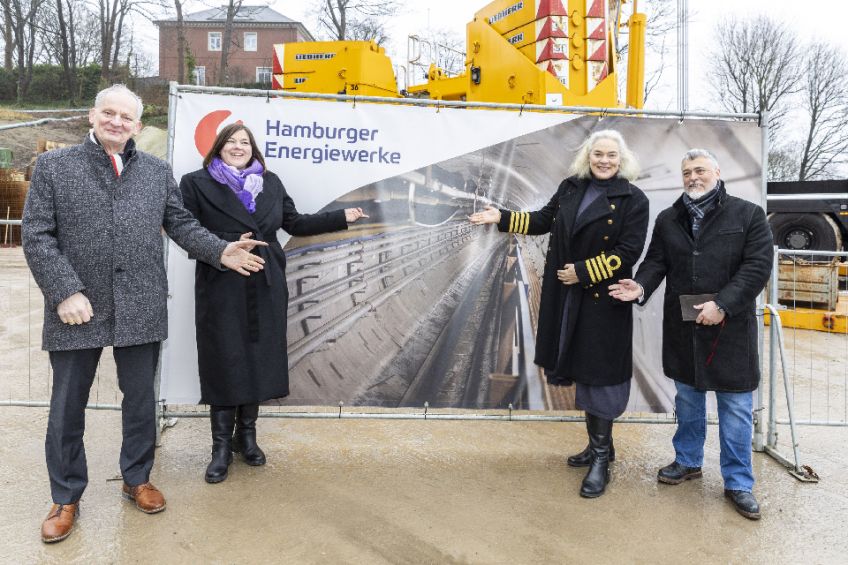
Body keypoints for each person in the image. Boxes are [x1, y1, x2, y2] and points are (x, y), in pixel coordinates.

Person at [23, 84, 268, 543]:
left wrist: (220, 250)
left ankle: (137, 479)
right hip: (77, 308)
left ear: (138, 125)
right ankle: (66, 496)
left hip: (140, 303)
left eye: (126, 117)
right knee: (66, 408)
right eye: (108, 113)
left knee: (139, 402)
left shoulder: (156, 171)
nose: (116, 122)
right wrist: (64, 290)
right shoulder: (55, 166)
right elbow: (37, 235)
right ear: (92, 116)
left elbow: (179, 223)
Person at [179, 124, 367, 484]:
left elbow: (294, 222)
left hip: (266, 284)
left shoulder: (271, 182)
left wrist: (341, 217)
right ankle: (220, 448)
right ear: (218, 147)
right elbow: (186, 230)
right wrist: (229, 242)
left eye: (244, 142)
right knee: (224, 359)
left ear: (253, 149)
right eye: (231, 142)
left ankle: (246, 438)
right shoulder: (196, 183)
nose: (238, 147)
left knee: (258, 359)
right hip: (221, 284)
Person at [469, 129, 649, 498]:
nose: (604, 160)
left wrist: (582, 272)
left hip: (603, 299)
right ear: (588, 156)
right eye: (598, 154)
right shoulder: (570, 187)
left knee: (599, 373)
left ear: (621, 159)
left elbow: (628, 252)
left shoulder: (634, 199)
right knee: (583, 368)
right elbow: (543, 220)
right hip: (568, 298)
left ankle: (601, 459)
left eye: (611, 155)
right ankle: (600, 446)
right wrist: (500, 217)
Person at [610, 149, 772, 520]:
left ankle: (738, 483)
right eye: (686, 172)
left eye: (699, 170)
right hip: (684, 327)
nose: (692, 177)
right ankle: (687, 461)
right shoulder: (669, 218)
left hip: (729, 328)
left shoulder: (748, 215)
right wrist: (641, 287)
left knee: (735, 409)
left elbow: (757, 267)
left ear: (717, 171)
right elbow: (656, 262)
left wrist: (723, 305)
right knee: (688, 399)